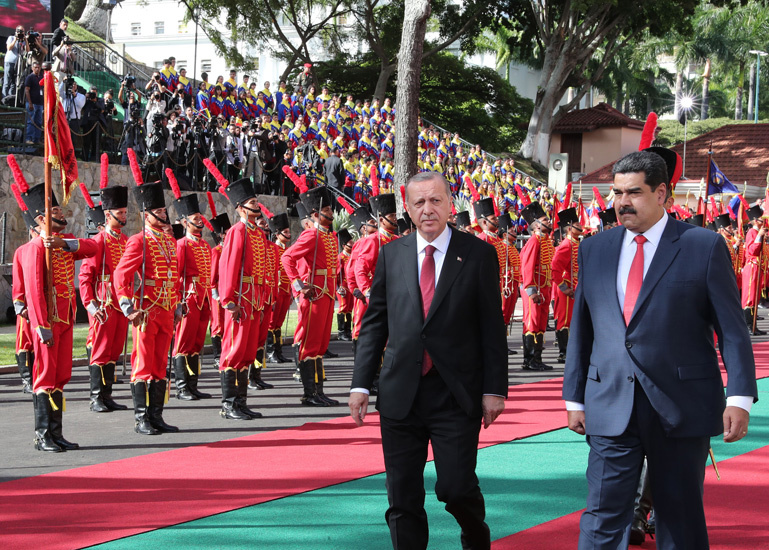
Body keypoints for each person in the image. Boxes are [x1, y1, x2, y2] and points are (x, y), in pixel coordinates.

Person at [562, 150, 758, 550]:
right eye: (617, 193)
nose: (621, 203)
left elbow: (733, 330)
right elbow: (582, 329)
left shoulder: (702, 246)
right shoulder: (594, 249)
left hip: (681, 405)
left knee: (680, 518)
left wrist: (739, 397)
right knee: (601, 516)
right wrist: (573, 395)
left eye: (633, 192)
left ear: (662, 193)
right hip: (610, 402)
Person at [349, 171, 508, 550]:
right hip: (401, 393)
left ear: (451, 204)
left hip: (455, 393)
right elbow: (374, 324)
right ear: (407, 208)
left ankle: (475, 534)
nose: (428, 209)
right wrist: (359, 384)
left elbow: (492, 327)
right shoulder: (392, 254)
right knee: (401, 496)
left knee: (455, 487)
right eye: (419, 202)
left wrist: (494, 390)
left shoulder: (478, 254)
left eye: (435, 200)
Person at [11, 174, 98, 452]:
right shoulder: (36, 248)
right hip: (48, 321)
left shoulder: (61, 243)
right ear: (40, 219)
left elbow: (93, 247)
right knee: (46, 374)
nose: (62, 215)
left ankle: (56, 432)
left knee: (61, 375)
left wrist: (65, 245)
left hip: (66, 317)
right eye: (55, 212)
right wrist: (40, 325)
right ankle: (42, 435)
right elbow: (35, 290)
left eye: (60, 211)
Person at [114, 170, 182, 436]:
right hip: (146, 311)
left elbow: (173, 276)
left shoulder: (167, 239)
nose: (163, 214)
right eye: (158, 211)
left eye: (164, 210)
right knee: (143, 364)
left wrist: (176, 304)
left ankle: (156, 415)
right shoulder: (138, 241)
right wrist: (128, 306)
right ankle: (141, 418)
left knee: (159, 365)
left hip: (166, 310)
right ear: (146, 214)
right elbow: (121, 274)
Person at [78, 164, 130, 413]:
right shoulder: (97, 241)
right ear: (108, 215)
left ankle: (107, 395)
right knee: (100, 349)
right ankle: (96, 396)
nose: (124, 216)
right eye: (120, 212)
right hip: (103, 301)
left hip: (122, 302)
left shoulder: (127, 242)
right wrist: (90, 303)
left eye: (125, 211)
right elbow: (85, 277)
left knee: (114, 350)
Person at [281, 186, 340, 407]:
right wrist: (299, 285)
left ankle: (318, 391)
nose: (331, 214)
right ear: (315, 214)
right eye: (326, 210)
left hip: (327, 294)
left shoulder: (330, 236)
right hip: (314, 295)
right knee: (310, 343)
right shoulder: (310, 235)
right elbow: (287, 258)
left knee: (321, 344)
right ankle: (309, 393)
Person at [169, 173, 213, 401]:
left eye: (200, 216)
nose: (200, 220)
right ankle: (182, 386)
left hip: (204, 299)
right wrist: (178, 301)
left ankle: (193, 385)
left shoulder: (205, 246)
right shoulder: (181, 245)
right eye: (195, 217)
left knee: (197, 342)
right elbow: (176, 276)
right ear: (185, 222)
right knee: (184, 341)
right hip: (189, 298)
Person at [519, 201, 554, 370]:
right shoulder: (534, 242)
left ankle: (537, 359)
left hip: (545, 288)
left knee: (540, 324)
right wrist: (532, 290)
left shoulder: (546, 241)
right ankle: (530, 360)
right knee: (532, 323)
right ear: (536, 226)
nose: (549, 222)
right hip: (535, 289)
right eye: (545, 220)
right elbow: (527, 267)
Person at [550, 207, 582, 363]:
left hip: (576, 287)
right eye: (577, 223)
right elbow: (555, 268)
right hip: (568, 289)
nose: (581, 225)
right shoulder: (566, 245)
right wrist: (564, 288)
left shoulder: (576, 243)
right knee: (564, 320)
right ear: (570, 228)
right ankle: (564, 352)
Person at [4, 26, 27, 100]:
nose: (21, 33)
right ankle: (4, 98)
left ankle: (10, 99)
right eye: (19, 31)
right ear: (16, 31)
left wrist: (26, 40)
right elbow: (9, 48)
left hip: (18, 63)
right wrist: (15, 39)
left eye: (22, 31)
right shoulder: (11, 38)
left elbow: (28, 50)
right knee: (7, 81)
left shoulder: (23, 41)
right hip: (9, 61)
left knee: (14, 83)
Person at [24, 61, 43, 145]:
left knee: (38, 122)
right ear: (32, 68)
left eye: (38, 67)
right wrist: (30, 102)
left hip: (40, 103)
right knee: (30, 121)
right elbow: (27, 90)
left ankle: (36, 139)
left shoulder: (41, 77)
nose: (37, 69)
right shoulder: (30, 77)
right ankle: (28, 138)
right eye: (35, 67)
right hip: (32, 103)